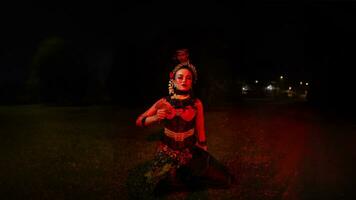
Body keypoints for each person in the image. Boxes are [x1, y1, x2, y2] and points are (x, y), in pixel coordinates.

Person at [135, 63, 233, 196]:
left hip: (189, 150)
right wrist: (154, 117)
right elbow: (139, 121)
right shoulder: (164, 102)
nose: (184, 81)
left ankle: (182, 174)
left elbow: (200, 128)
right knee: (151, 186)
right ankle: (171, 175)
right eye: (180, 77)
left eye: (188, 78)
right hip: (167, 151)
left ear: (192, 82)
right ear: (173, 80)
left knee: (223, 179)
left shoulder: (196, 103)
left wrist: (203, 148)